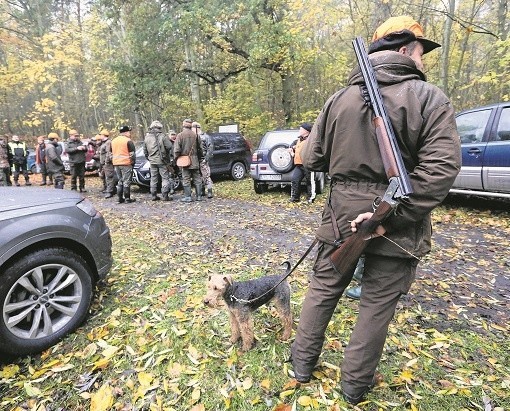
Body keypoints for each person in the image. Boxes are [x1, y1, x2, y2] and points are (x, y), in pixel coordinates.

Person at [290, 16, 461, 405]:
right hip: (399, 219)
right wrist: (389, 215)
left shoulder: (337, 99)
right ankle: (353, 387)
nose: (423, 61)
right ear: (403, 49)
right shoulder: (429, 98)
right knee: (376, 305)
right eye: (421, 51)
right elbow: (439, 171)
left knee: (323, 289)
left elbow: (313, 157)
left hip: (341, 215)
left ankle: (301, 365)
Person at [174, 118, 203, 202]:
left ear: (183, 126)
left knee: (186, 178)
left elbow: (176, 150)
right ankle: (199, 196)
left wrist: (176, 159)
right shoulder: (196, 135)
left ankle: (188, 197)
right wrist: (200, 158)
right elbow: (200, 149)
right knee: (197, 178)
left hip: (184, 160)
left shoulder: (180, 135)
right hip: (195, 160)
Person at [143, 120, 174, 201]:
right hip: (162, 161)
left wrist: (149, 158)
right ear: (159, 127)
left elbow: (145, 151)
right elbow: (170, 146)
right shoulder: (162, 136)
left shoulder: (147, 137)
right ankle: (165, 196)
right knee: (165, 178)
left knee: (153, 178)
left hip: (152, 161)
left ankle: (153, 195)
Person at [288, 123, 314, 203]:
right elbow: (292, 147)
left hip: (308, 164)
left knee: (310, 181)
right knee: (295, 180)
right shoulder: (298, 140)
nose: (300, 131)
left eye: (301, 129)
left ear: (306, 131)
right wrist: (292, 152)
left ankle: (310, 198)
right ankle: (295, 198)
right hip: (298, 164)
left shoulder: (311, 140)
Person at [112, 125, 136, 203]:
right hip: (126, 163)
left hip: (116, 164)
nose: (130, 133)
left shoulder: (113, 141)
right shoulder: (128, 141)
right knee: (126, 181)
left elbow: (110, 153)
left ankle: (119, 199)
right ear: (125, 132)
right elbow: (132, 154)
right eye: (129, 131)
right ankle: (127, 199)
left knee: (120, 181)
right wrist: (132, 163)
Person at [193, 121, 214, 199]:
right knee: (199, 177)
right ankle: (202, 191)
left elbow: (210, 148)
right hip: (195, 160)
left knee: (206, 176)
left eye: (193, 127)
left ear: (197, 128)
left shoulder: (206, 136)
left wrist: (206, 159)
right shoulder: (193, 137)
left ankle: (209, 191)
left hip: (203, 160)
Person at [99, 129, 117, 198]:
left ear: (104, 135)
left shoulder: (108, 142)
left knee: (109, 177)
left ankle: (110, 192)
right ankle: (113, 189)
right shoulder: (104, 143)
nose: (100, 136)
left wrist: (106, 162)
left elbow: (108, 153)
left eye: (101, 135)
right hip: (104, 163)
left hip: (107, 163)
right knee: (106, 177)